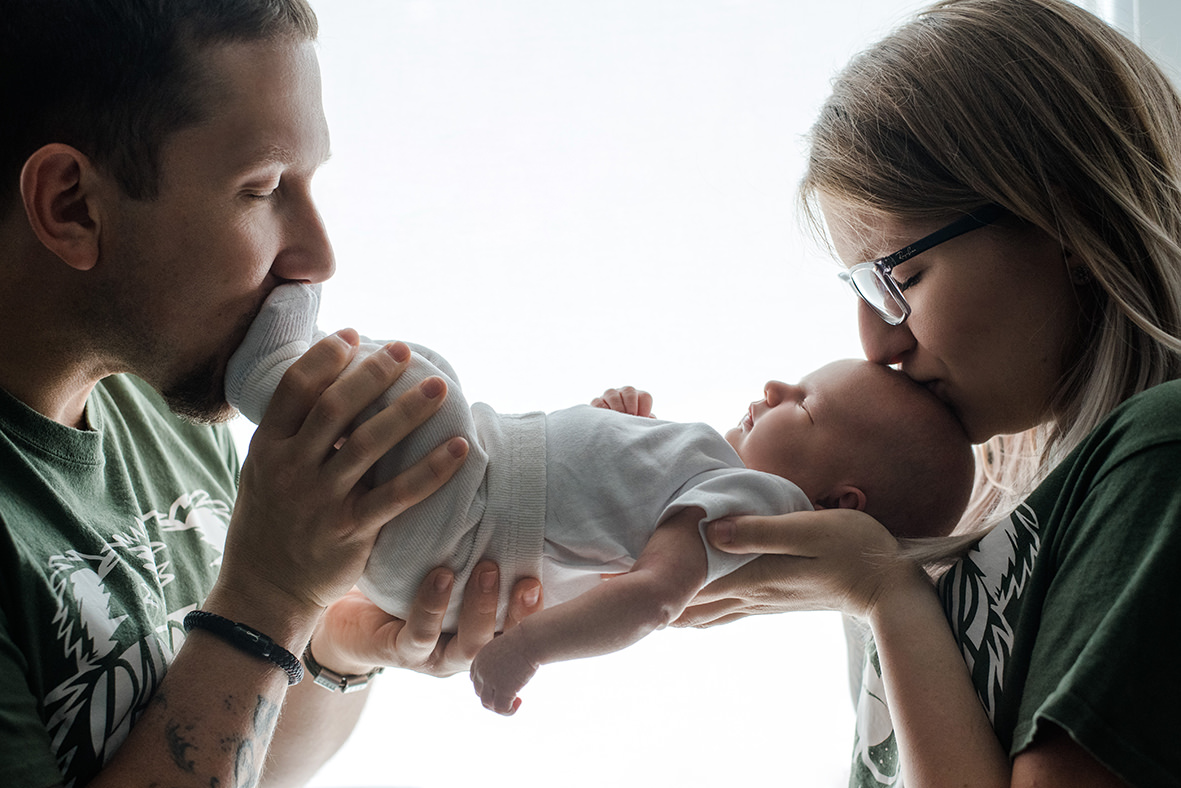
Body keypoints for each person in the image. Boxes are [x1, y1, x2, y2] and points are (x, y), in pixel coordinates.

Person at [0, 2, 544, 787]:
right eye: (261, 189)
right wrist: (270, 599)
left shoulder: (164, 401)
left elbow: (261, 762)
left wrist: (331, 643)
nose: (318, 256)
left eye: (309, 182)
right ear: (71, 205)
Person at [675, 0, 1181, 785]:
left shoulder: (1162, 456)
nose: (879, 343)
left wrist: (884, 593)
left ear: (1066, 217)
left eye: (901, 278)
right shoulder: (990, 541)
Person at [225, 281, 975, 715]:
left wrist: (530, 648)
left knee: (419, 391)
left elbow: (649, 596)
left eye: (804, 406)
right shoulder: (715, 481)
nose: (775, 389)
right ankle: (279, 373)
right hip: (445, 556)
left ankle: (264, 376)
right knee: (413, 402)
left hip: (469, 514)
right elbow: (613, 525)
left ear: (838, 503)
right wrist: (625, 428)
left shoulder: (759, 504)